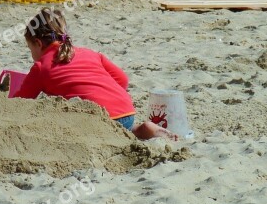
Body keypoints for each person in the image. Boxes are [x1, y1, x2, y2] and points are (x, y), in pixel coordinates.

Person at [14, 8, 178, 141]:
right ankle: (144, 129)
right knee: (124, 130)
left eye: (30, 49)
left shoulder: (41, 67)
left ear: (38, 43)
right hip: (126, 112)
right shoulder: (90, 53)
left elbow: (20, 103)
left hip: (96, 122)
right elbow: (123, 80)